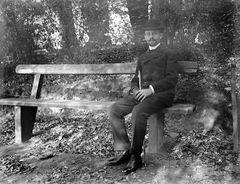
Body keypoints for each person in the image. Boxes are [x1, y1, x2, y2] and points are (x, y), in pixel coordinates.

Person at [107, 19, 179, 174]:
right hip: (143, 94)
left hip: (161, 94)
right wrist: (134, 90)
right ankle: (125, 150)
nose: (150, 36)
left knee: (138, 111)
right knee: (114, 109)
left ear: (160, 35)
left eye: (154, 33)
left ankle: (135, 155)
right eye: (148, 34)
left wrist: (151, 89)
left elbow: (172, 78)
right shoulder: (142, 57)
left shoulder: (169, 53)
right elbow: (135, 79)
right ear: (145, 37)